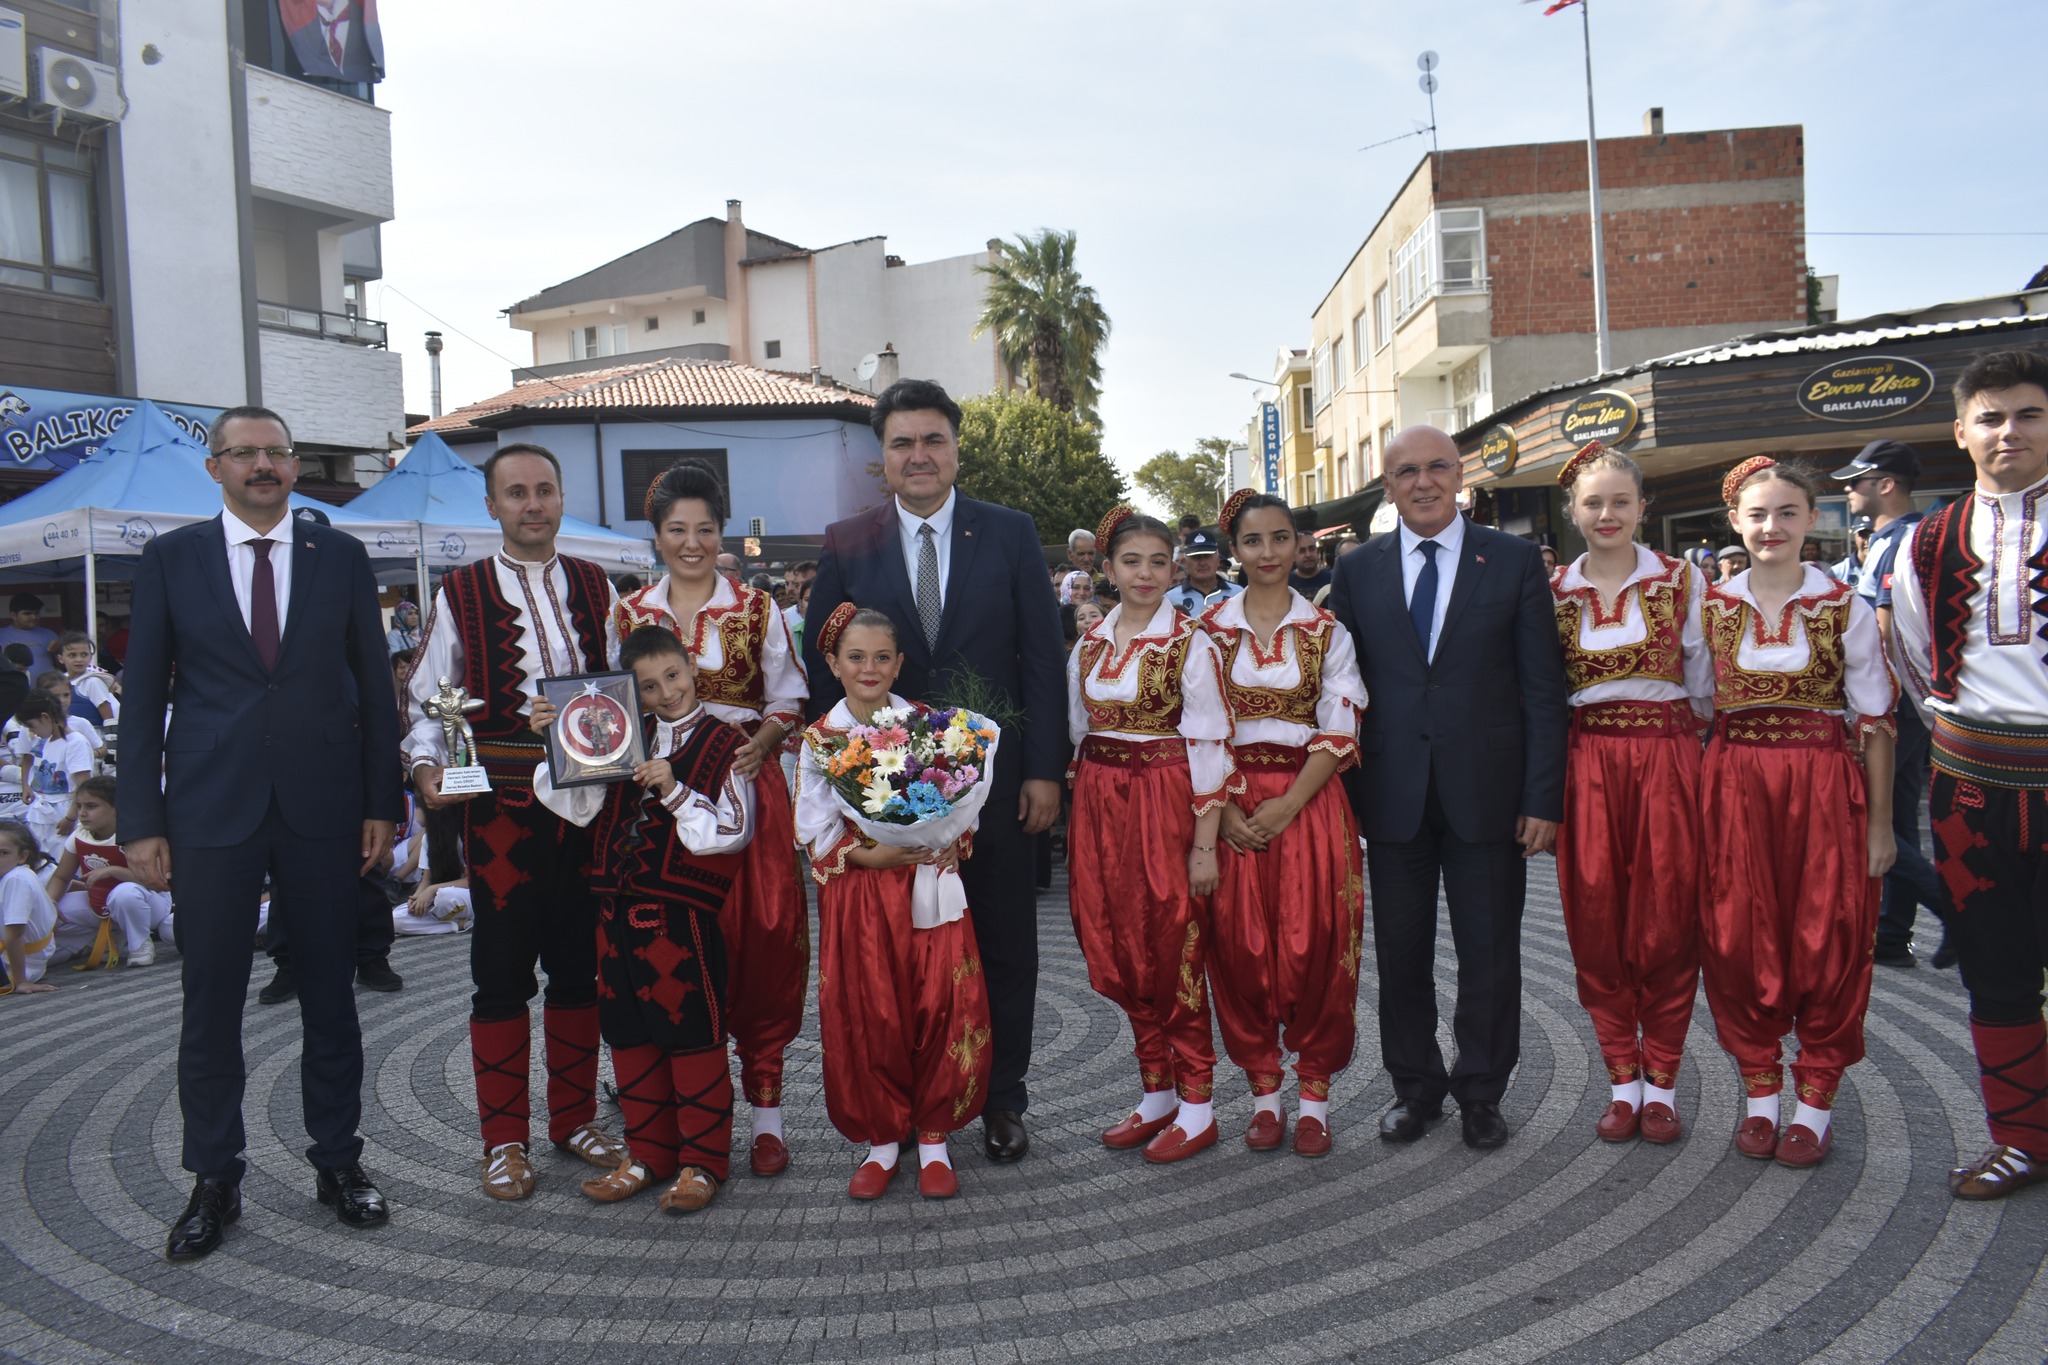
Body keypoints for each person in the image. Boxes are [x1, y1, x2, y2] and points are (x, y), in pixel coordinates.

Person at [118, 404, 400, 1261]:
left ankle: (339, 1162)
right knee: (209, 1004)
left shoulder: (340, 556)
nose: (264, 465)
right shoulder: (171, 560)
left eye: (277, 451)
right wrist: (140, 821)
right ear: (216, 469)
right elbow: (140, 702)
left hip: (323, 806)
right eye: (245, 454)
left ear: (294, 463)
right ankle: (214, 1179)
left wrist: (380, 803)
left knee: (330, 996)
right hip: (208, 811)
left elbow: (375, 689)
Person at [802, 378, 1066, 1165]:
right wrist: (848, 793)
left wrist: (1045, 770)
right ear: (880, 458)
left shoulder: (1012, 532)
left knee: (1003, 944)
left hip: (996, 788)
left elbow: (1042, 660)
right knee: (906, 962)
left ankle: (1001, 1099)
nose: (919, 456)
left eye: (933, 440)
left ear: (956, 447)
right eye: (902, 443)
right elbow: (825, 674)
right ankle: (913, 1106)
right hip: (886, 800)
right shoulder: (847, 541)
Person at [1326, 424, 1568, 1151]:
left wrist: (1542, 797)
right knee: (1400, 955)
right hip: (1391, 796)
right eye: (1406, 471)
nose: (1423, 482)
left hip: (1489, 796)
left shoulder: (1517, 560)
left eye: (1436, 467)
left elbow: (1542, 690)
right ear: (1388, 485)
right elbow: (1343, 688)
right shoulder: (1357, 568)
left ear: (1459, 476)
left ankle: (1483, 1092)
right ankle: (1416, 1088)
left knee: (1489, 951)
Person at [403, 443, 626, 1201]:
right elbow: (428, 699)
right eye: (517, 492)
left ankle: (571, 1119)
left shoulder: (600, 587)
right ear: (493, 505)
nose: (534, 503)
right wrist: (427, 765)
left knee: (578, 967)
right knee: (499, 975)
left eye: (545, 489)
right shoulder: (461, 592)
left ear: (561, 498)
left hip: (591, 807)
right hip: (500, 809)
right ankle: (503, 1140)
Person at [613, 461, 809, 1178]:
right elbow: (615, 704)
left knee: (758, 947)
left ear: (721, 532)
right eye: (676, 530)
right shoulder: (631, 612)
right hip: (659, 798)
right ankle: (685, 1125)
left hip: (741, 786)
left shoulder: (758, 609)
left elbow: (788, 698)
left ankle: (766, 1117)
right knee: (677, 954)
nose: (691, 542)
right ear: (656, 535)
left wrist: (762, 742)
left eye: (705, 529)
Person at [1700, 456, 1896, 1169]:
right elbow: (1696, 708)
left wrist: (1879, 826)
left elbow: (1874, 720)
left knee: (1828, 939)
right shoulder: (1711, 604)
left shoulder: (1843, 605)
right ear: (1735, 522)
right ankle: (1759, 1097)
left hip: (1822, 787)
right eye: (1757, 514)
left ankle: (1814, 1103)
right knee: (1736, 938)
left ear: (1814, 519)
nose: (1771, 526)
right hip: (1734, 788)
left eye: (1787, 512)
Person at [1889, 349, 2048, 1200]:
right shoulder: (1929, 539)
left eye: (2027, 413)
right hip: (1973, 784)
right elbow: (1915, 663)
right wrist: (1960, 740)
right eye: (1990, 417)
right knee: (1996, 967)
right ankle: (2022, 1138)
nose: (2008, 431)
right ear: (1961, 432)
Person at [530, 625, 756, 1212]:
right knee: (628, 1033)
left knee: (691, 1031)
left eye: (674, 676)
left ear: (691, 668)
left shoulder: (724, 741)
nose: (666, 692)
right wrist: (556, 739)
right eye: (650, 686)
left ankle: (703, 1162)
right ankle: (649, 1154)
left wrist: (676, 790)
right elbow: (576, 805)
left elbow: (732, 833)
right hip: (613, 912)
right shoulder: (622, 738)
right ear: (635, 690)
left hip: (680, 919)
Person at [1546, 443, 1714, 1144]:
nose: (1608, 513)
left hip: (1670, 759)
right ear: (1573, 512)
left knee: (1670, 921)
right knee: (1596, 919)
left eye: (1621, 500)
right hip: (1586, 762)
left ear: (1645, 507)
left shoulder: (1684, 580)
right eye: (1594, 502)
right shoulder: (1554, 590)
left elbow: (1706, 681)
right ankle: (1622, 1079)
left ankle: (1664, 1082)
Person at [796, 604, 993, 1199]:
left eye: (883, 657)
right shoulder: (820, 739)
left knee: (940, 1004)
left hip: (929, 887)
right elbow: (812, 825)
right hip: (862, 895)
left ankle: (933, 1140)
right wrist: (865, 856)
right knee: (872, 1014)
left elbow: (959, 798)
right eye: (856, 657)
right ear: (833, 663)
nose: (870, 667)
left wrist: (952, 838)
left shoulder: (935, 729)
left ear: (900, 661)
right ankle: (883, 1142)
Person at [1203, 490, 1365, 1156]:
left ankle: (1317, 1098)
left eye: (1279, 539)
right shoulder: (1206, 631)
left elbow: (1340, 724)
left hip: (1310, 801)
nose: (1267, 553)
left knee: (1317, 947)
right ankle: (1265, 1095)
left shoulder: (1327, 630)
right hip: (1231, 802)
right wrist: (1234, 810)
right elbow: (1199, 729)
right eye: (1253, 541)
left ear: (1299, 545)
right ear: (1233, 550)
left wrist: (1287, 804)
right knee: (1240, 952)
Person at [1067, 507, 1232, 1163]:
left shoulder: (1190, 641)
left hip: (1165, 798)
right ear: (1106, 569)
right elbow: (1078, 733)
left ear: (1173, 568)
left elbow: (1212, 743)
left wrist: (1203, 842)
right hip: (1101, 803)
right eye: (1131, 561)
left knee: (1173, 942)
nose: (1144, 573)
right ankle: (1157, 1091)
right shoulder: (1088, 645)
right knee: (1117, 939)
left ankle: (1198, 1102)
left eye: (1157, 561)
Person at [1833, 440, 1949, 970]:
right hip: (1908, 700)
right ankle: (1896, 935)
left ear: (1885, 484)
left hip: (1892, 702)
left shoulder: (1899, 541)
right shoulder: (1889, 538)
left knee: (1863, 815)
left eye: (1855, 482)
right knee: (1897, 817)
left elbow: (1880, 631)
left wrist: (1858, 706)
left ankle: (1954, 912)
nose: (1849, 491)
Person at [47, 776, 169, 968]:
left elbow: (158, 881)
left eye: (91, 806)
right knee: (52, 908)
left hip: (149, 903)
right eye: (79, 806)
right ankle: (91, 941)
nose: (82, 813)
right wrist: (50, 902)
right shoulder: (79, 835)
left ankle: (139, 943)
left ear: (116, 808)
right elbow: (61, 877)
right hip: (99, 903)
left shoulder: (136, 834)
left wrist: (114, 871)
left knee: (124, 893)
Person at [15, 691, 90, 857]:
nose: (32, 732)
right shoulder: (45, 741)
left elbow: (84, 786)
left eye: (32, 726)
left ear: (46, 717)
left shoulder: (75, 742)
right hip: (41, 810)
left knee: (61, 860)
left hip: (64, 811)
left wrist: (70, 818)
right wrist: (28, 786)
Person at [0, 819, 58, 994]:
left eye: (3, 853)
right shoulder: (11, 874)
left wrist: (21, 981)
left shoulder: (16, 879)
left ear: (22, 856)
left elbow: (15, 936)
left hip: (21, 964)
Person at [1166, 530, 1242, 615]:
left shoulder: (1238, 594)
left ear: (1218, 559)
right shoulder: (1170, 599)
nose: (1202, 563)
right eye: (1196, 557)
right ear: (1185, 561)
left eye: (1207, 556)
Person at [49, 631, 118, 726]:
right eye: (72, 655)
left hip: (94, 737)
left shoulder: (93, 682)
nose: (79, 659)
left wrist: (111, 737)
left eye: (84, 655)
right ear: (61, 658)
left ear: (90, 657)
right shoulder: (59, 681)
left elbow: (108, 718)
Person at [0, 594, 55, 662]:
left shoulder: (49, 634)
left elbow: (63, 664)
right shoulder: (2, 635)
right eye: (27, 613)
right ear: (13, 615)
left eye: (36, 613)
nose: (34, 617)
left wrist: (55, 652)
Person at [1288, 532, 1332, 598]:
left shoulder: (1332, 580)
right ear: (1293, 556)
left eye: (1312, 549)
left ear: (1317, 552)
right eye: (1302, 551)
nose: (1308, 555)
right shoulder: (1286, 584)